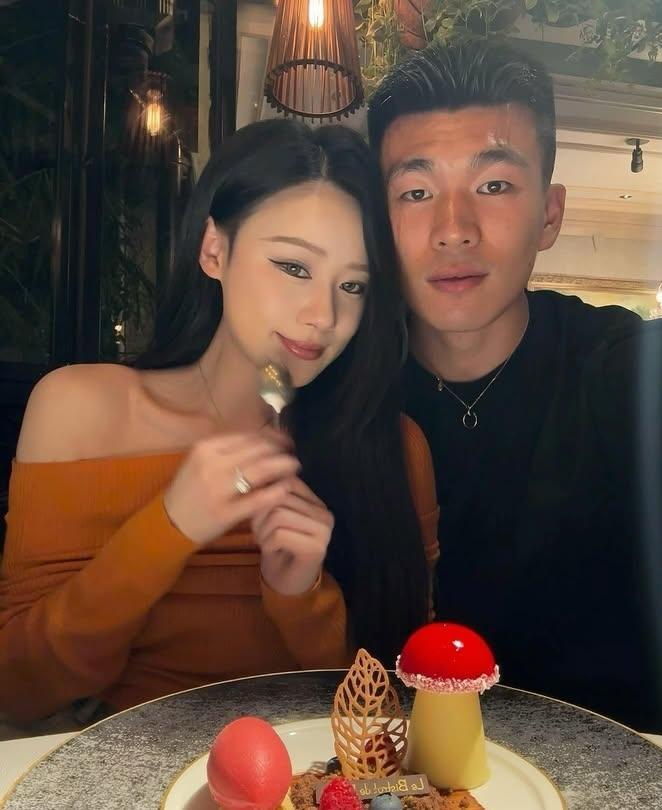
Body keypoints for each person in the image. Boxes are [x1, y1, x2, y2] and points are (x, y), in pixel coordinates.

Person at [0, 119, 438, 727]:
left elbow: (394, 712)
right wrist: (171, 525)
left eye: (353, 285)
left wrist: (300, 594)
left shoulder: (391, 447)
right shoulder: (83, 411)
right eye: (293, 267)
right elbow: (18, 690)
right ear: (214, 249)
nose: (323, 314)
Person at [367, 40, 662, 736]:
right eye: (416, 192)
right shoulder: (352, 389)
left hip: (620, 768)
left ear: (549, 215)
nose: (453, 230)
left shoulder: (623, 362)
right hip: (406, 772)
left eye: (494, 185)